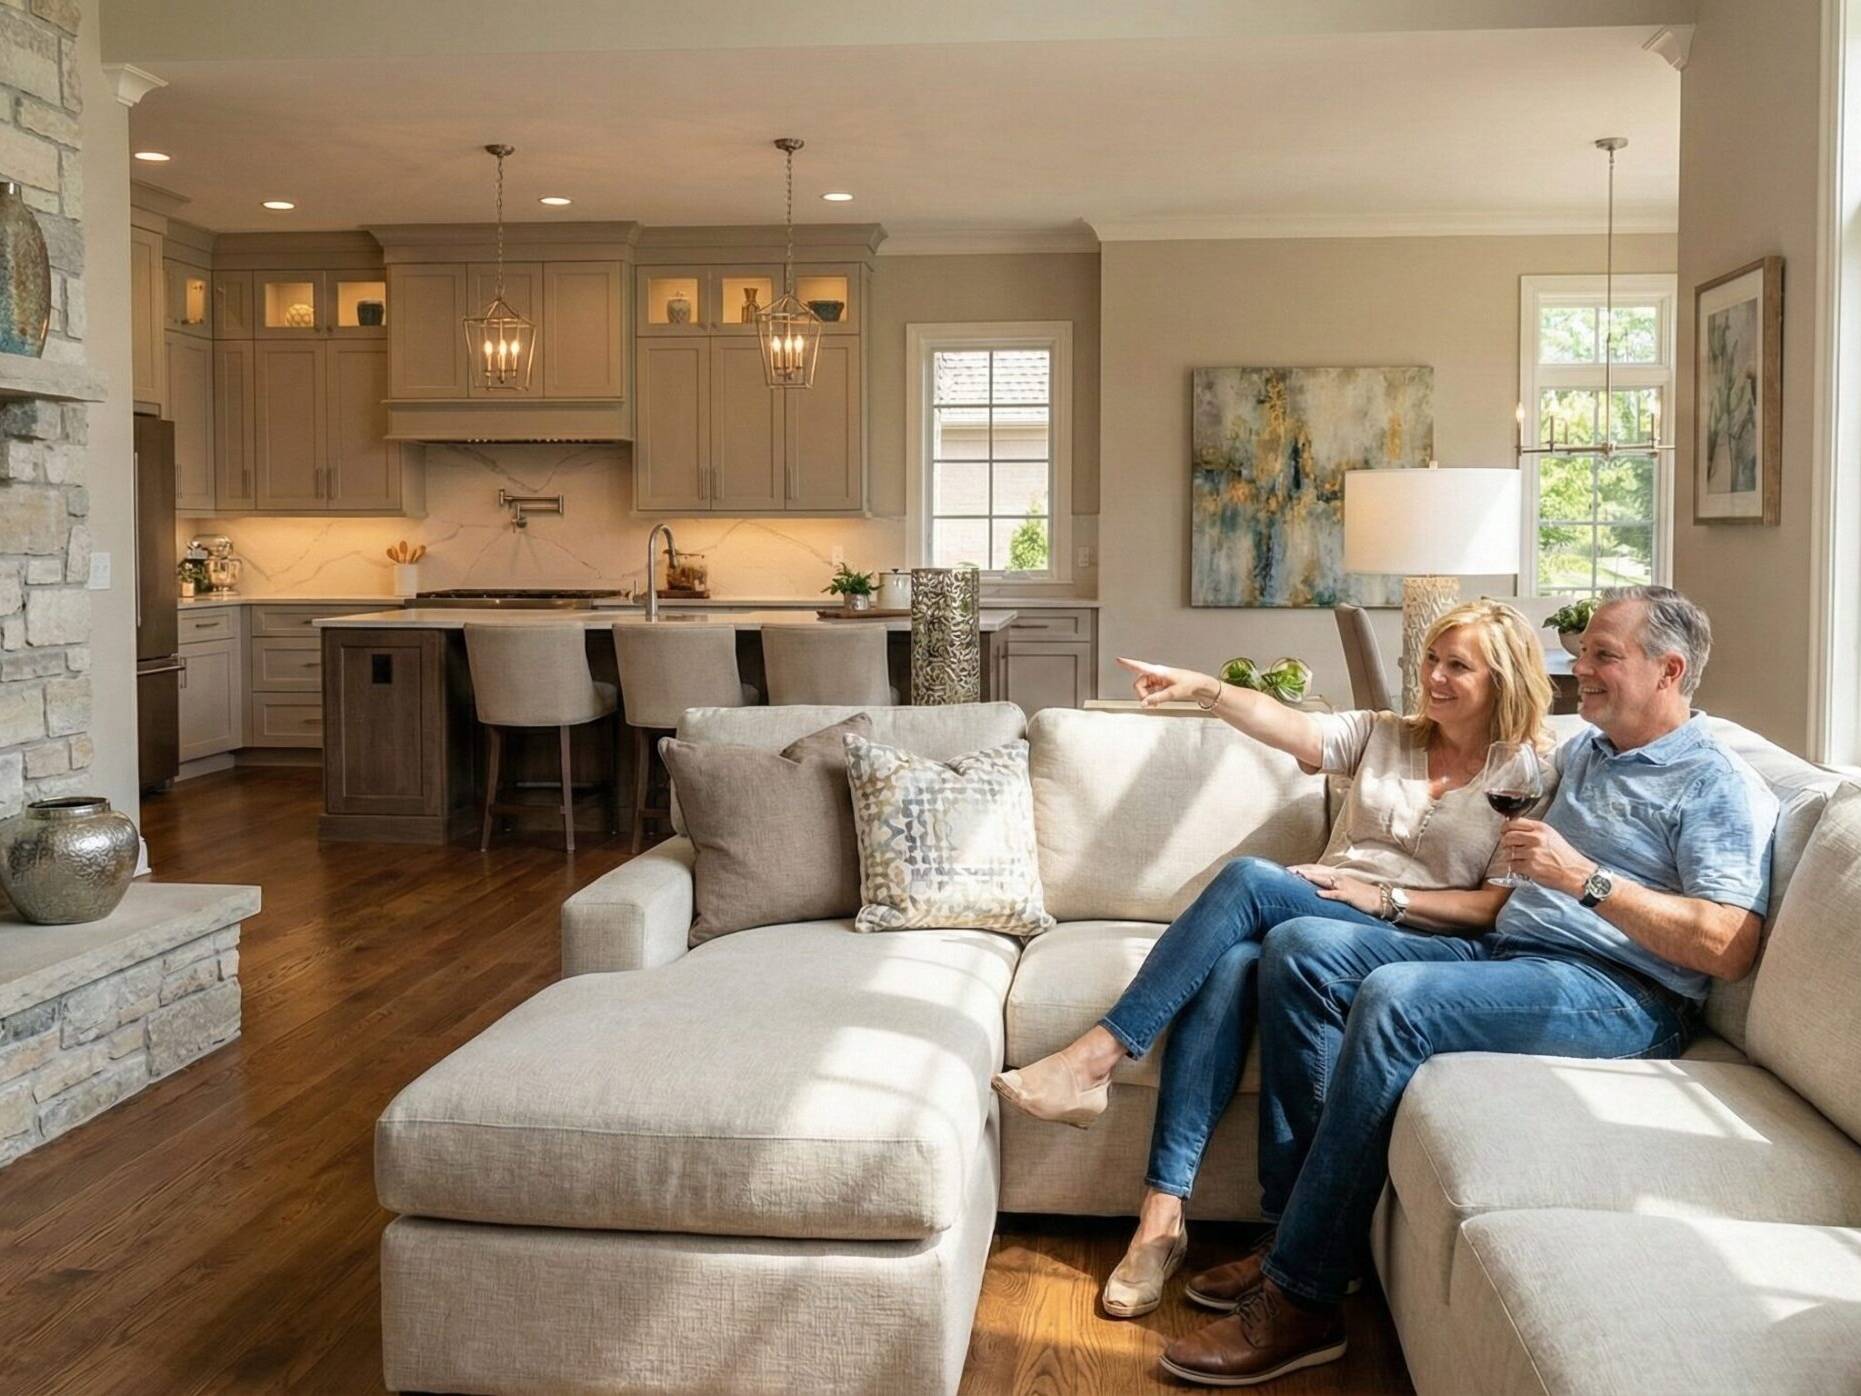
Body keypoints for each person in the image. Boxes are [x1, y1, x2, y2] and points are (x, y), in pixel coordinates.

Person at [1162, 585, 1781, 1388]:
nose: (1579, 669)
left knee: (1394, 1000)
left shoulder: (1716, 784)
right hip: (1511, 955)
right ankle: (1287, 1234)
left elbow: (1727, 947)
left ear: (1668, 671)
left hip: (1622, 992)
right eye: (1582, 650)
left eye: (1602, 655)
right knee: (1304, 946)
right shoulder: (1586, 750)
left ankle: (1304, 1298)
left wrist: (1585, 880)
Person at [992, 600, 1555, 1319]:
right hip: (1326, 914)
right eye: (1430, 661)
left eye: (1456, 666)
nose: (1433, 678)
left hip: (1424, 938)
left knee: (1251, 880)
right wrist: (1203, 688)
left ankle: (1097, 1056)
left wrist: (1378, 895)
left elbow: (1492, 909)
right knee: (1230, 969)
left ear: (1502, 677)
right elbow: (1285, 722)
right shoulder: (1385, 736)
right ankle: (1159, 1220)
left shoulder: (1531, 774)